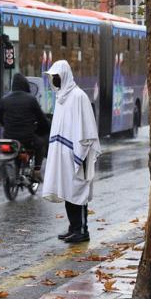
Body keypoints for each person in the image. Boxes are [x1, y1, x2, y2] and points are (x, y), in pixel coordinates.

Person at [42, 60, 101, 244]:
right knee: (68, 190)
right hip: (63, 154)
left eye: (56, 77)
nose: (54, 80)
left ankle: (82, 230)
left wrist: (82, 150)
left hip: (78, 152)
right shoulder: (61, 97)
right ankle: (73, 227)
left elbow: (87, 127)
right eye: (52, 77)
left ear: (64, 76)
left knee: (78, 191)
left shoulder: (78, 97)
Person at [0, 73, 50, 178]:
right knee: (40, 144)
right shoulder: (31, 99)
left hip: (8, 137)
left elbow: (0, 119)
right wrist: (47, 126)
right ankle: (36, 170)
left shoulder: (4, 99)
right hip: (27, 138)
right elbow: (41, 118)